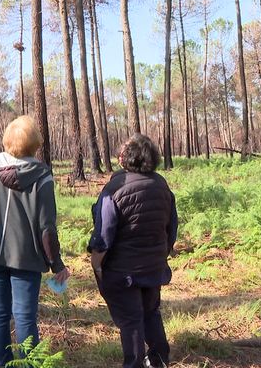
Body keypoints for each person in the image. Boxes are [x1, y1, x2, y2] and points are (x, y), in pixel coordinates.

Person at [0, 115, 70, 368]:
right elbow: (46, 228)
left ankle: (4, 364)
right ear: (35, 143)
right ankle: (29, 365)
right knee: (25, 318)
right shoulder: (42, 175)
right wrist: (57, 265)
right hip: (26, 258)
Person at [89, 134, 178, 368]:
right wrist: (162, 254)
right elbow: (172, 227)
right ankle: (159, 360)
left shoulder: (115, 188)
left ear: (127, 158)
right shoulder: (161, 184)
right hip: (153, 267)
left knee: (131, 322)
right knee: (150, 313)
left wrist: (96, 264)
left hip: (122, 271)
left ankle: (135, 364)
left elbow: (103, 235)